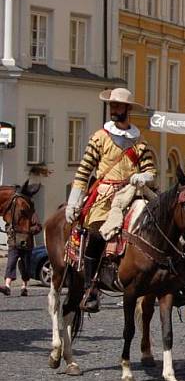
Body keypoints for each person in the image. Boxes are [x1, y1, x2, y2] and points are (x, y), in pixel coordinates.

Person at [65, 88, 157, 312]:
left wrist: (142, 177)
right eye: (112, 105)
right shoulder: (99, 137)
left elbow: (152, 172)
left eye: (118, 106)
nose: (114, 109)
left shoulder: (140, 142)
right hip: (104, 196)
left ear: (127, 109)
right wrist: (73, 201)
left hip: (132, 194)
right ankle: (90, 287)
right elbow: (84, 171)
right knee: (97, 233)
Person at [2, 218, 41, 296]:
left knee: (25, 266)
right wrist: (9, 231)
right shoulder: (13, 212)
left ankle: (24, 287)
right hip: (13, 243)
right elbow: (7, 225)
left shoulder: (31, 214)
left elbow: (38, 227)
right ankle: (7, 286)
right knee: (11, 263)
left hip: (25, 242)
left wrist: (28, 230)